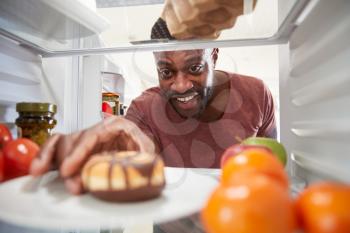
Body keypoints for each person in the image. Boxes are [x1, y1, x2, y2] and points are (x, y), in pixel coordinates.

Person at [30, 18, 276, 196]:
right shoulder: (145, 108)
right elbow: (132, 140)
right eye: (166, 72)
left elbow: (273, 159)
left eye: (195, 68)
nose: (180, 85)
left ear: (213, 56)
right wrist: (116, 152)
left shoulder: (256, 93)